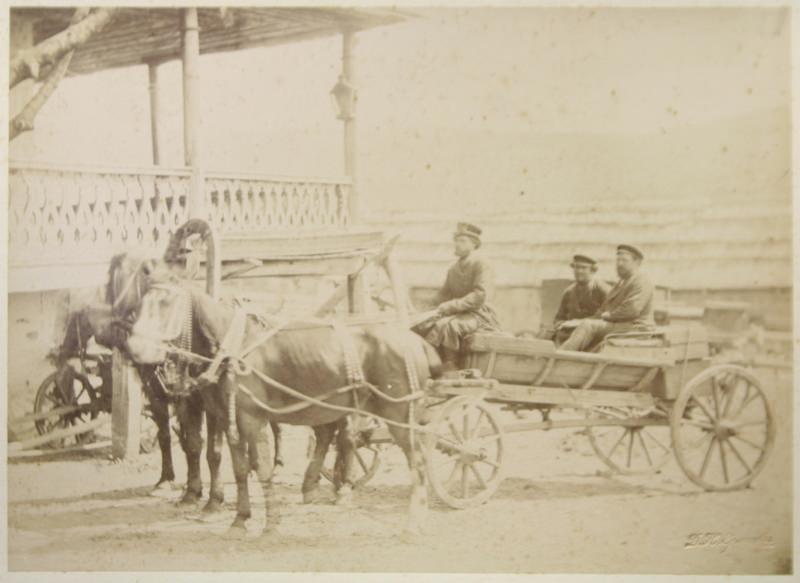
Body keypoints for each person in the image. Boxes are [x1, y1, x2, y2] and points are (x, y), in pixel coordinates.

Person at [413, 222, 501, 371]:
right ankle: (430, 365)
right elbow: (443, 295)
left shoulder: (482, 264)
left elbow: (480, 295)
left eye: (462, 241)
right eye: (456, 241)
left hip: (480, 316)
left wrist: (450, 306)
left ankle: (451, 367)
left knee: (448, 326)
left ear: (474, 244)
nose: (457, 244)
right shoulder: (453, 269)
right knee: (424, 325)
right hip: (459, 313)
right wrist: (420, 306)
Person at [559, 244, 654, 352]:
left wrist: (608, 316)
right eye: (618, 260)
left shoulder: (641, 280)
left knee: (589, 326)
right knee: (580, 325)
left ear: (637, 262)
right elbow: (603, 309)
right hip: (622, 326)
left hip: (636, 328)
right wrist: (579, 321)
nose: (619, 264)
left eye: (624, 260)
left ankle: (561, 354)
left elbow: (631, 310)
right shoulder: (621, 283)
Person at [553, 254, 610, 343]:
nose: (579, 271)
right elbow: (559, 318)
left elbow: (607, 316)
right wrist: (561, 324)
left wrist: (578, 322)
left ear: (592, 270)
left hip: (594, 337)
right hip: (570, 335)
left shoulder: (603, 290)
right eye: (576, 267)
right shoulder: (568, 292)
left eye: (583, 268)